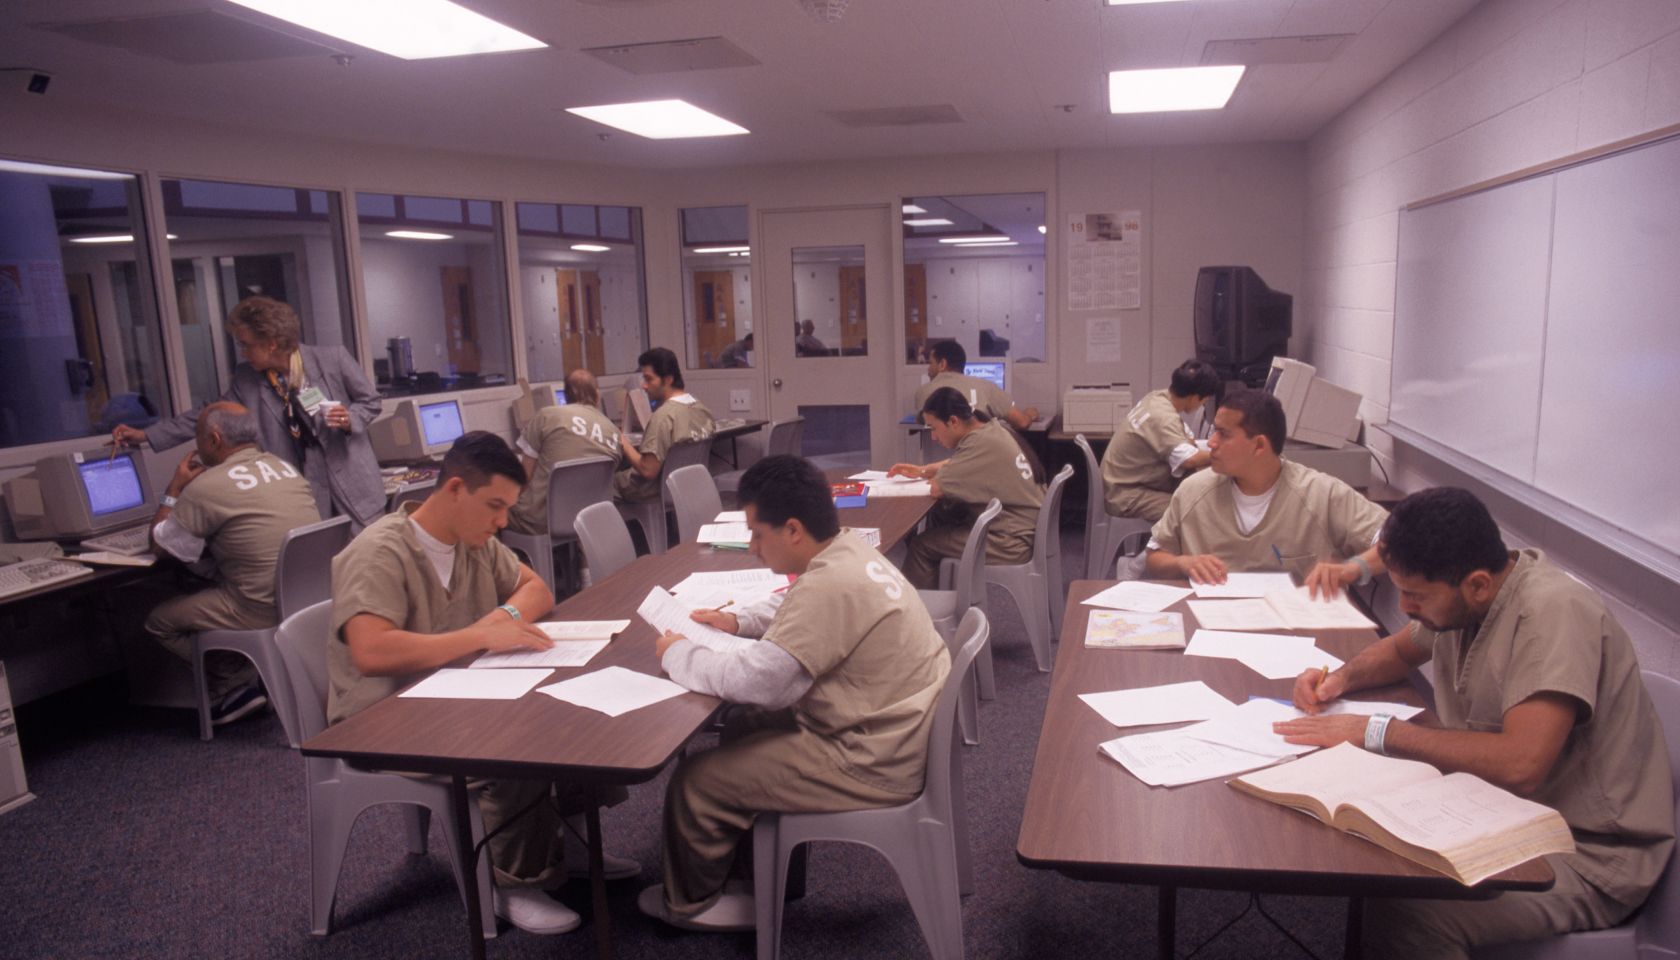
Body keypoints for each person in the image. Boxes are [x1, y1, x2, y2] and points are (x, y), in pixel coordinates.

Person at [1273, 488, 1674, 959]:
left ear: (1478, 584)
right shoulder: (1467, 602)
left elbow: (1521, 765)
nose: (1404, 606)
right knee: (1370, 840)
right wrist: (1338, 679)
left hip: (1585, 854)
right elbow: (1401, 650)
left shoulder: (1551, 614)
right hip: (1507, 813)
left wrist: (1378, 731)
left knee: (1411, 908)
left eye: (1415, 595)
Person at [328, 431, 634, 935]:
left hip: (452, 689)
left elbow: (536, 589)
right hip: (384, 715)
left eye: (507, 509)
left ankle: (569, 839)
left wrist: (503, 619)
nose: (502, 522)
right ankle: (516, 882)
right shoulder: (379, 552)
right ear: (453, 489)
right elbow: (371, 651)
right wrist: (479, 636)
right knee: (517, 744)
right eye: (494, 506)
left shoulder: (471, 541)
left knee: (575, 707)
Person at [638, 455, 951, 931]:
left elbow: (761, 683)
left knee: (698, 782)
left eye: (758, 535)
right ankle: (759, 876)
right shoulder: (849, 551)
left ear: (793, 530)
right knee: (742, 726)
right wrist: (737, 621)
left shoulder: (830, 583)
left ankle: (692, 904)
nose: (754, 548)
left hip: (872, 757)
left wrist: (676, 655)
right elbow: (798, 603)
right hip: (892, 727)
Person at [112, 296, 385, 531]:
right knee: (323, 570)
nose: (242, 353)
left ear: (272, 343)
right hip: (302, 490)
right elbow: (208, 416)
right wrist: (146, 435)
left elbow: (370, 401)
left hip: (354, 484)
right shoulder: (247, 380)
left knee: (368, 568)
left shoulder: (332, 359)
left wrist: (350, 419)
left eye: (246, 345)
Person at [145, 401, 323, 724]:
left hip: (257, 606)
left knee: (159, 621)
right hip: (305, 598)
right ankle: (250, 676)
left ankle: (233, 685)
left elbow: (159, 546)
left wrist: (173, 489)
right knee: (206, 578)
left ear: (213, 440)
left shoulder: (206, 488)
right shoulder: (285, 468)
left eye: (198, 439)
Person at [1144, 388, 1386, 597]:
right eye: (1213, 432)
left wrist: (1352, 569)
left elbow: (1397, 543)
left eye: (1223, 434)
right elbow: (1154, 556)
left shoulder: (1321, 493)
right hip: (1213, 622)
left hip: (1298, 627)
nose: (1212, 443)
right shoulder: (1193, 491)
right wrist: (1181, 563)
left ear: (1259, 445)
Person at [890, 387, 1044, 589]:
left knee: (922, 545)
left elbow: (936, 489)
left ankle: (920, 613)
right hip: (1022, 526)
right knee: (943, 512)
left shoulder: (978, 444)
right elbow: (958, 463)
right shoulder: (990, 429)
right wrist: (922, 470)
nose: (934, 437)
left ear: (953, 421)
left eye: (934, 428)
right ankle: (944, 595)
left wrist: (893, 489)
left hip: (1011, 541)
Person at [1101, 359, 1219, 522]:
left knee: (1195, 494)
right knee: (1195, 511)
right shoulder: (1162, 417)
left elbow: (1185, 434)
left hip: (1122, 483)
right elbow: (1189, 459)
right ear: (1194, 397)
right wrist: (1223, 455)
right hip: (1125, 495)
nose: (1201, 405)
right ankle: (1185, 548)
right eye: (1203, 401)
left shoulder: (1157, 397)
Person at [507, 369, 621, 535]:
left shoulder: (546, 416)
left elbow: (524, 476)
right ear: (597, 395)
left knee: (492, 510)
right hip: (589, 518)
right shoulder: (613, 430)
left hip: (541, 521)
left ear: (566, 396)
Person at [614, 347, 716, 503]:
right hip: (687, 485)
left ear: (668, 379)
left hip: (655, 489)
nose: (644, 386)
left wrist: (622, 441)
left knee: (605, 482)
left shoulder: (663, 418)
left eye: (649, 379)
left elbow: (648, 470)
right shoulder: (702, 410)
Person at [911, 339, 1038, 430]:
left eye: (931, 363)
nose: (928, 369)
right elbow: (1022, 422)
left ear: (942, 364)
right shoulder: (986, 387)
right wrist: (1030, 415)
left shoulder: (922, 392)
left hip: (937, 466)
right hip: (980, 463)